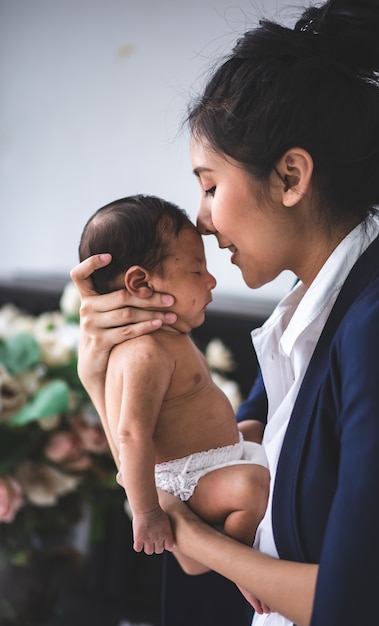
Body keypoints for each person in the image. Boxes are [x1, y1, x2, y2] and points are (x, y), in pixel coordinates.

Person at [70, 0, 379, 624]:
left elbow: (363, 603)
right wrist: (99, 380)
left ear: (290, 176)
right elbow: (179, 485)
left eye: (209, 185)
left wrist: (194, 539)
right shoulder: (298, 331)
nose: (201, 220)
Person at [77, 194, 270, 557]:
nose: (211, 280)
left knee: (257, 430)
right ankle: (240, 558)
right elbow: (132, 434)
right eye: (196, 271)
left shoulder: (169, 336)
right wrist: (147, 512)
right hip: (188, 481)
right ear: (141, 284)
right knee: (253, 485)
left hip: (215, 458)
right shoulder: (144, 353)